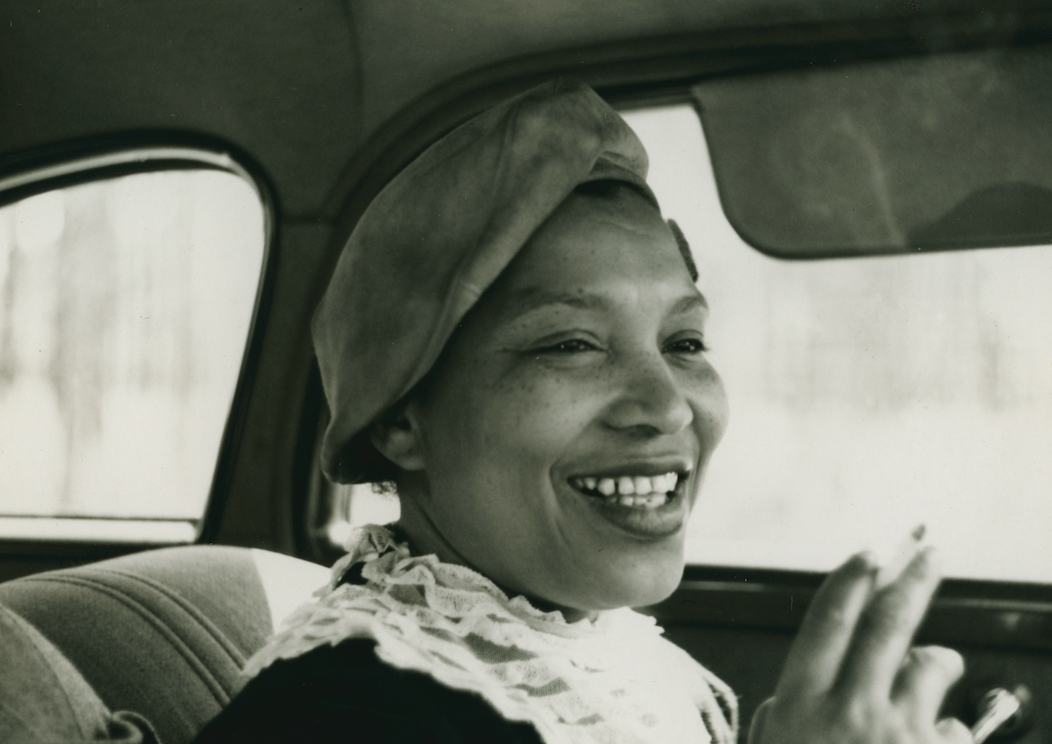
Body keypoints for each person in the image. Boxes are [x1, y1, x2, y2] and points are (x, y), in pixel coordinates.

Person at [195, 78, 970, 744]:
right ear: (401, 420)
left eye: (685, 342)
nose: (666, 406)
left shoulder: (617, 664)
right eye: (570, 344)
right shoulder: (333, 718)